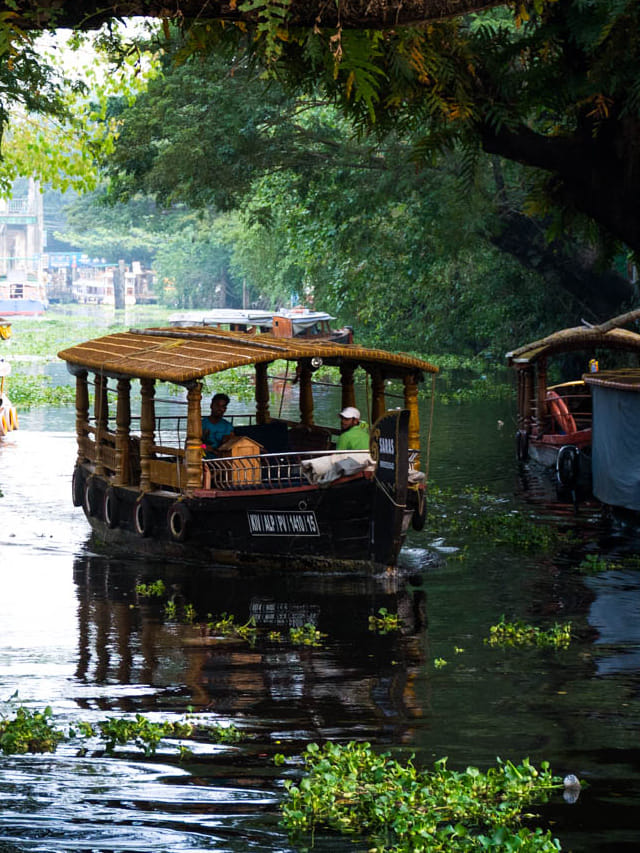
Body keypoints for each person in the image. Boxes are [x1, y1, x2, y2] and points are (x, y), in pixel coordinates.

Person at [201, 393, 234, 458]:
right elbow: (191, 444)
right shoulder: (201, 424)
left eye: (223, 406)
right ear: (211, 406)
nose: (220, 409)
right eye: (217, 405)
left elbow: (232, 445)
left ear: (225, 409)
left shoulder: (228, 426)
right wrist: (204, 446)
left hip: (221, 460)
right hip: (202, 459)